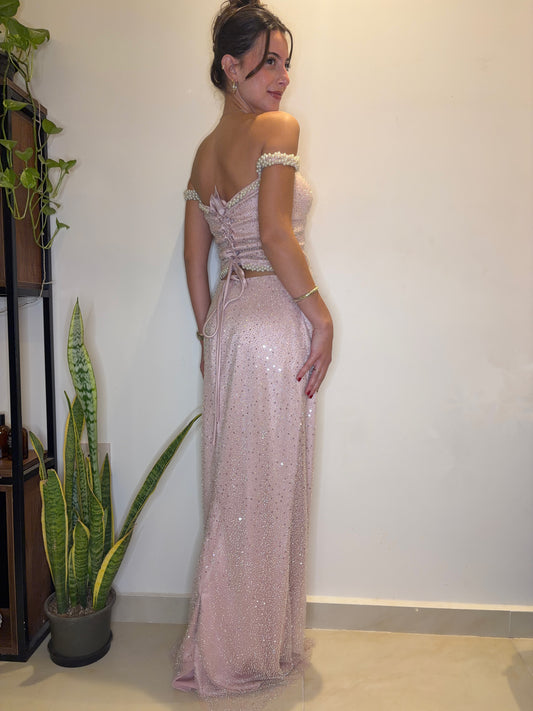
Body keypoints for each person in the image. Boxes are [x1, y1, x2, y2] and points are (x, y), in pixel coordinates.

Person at [172, 0, 333, 698]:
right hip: (271, 321)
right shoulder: (277, 128)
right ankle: (250, 644)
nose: (283, 76)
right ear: (230, 67)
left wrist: (209, 335)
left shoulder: (204, 151)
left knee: (236, 492)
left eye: (286, 62)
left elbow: (194, 260)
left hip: (232, 327)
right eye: (269, 62)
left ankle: (233, 637)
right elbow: (274, 233)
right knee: (265, 489)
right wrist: (321, 317)